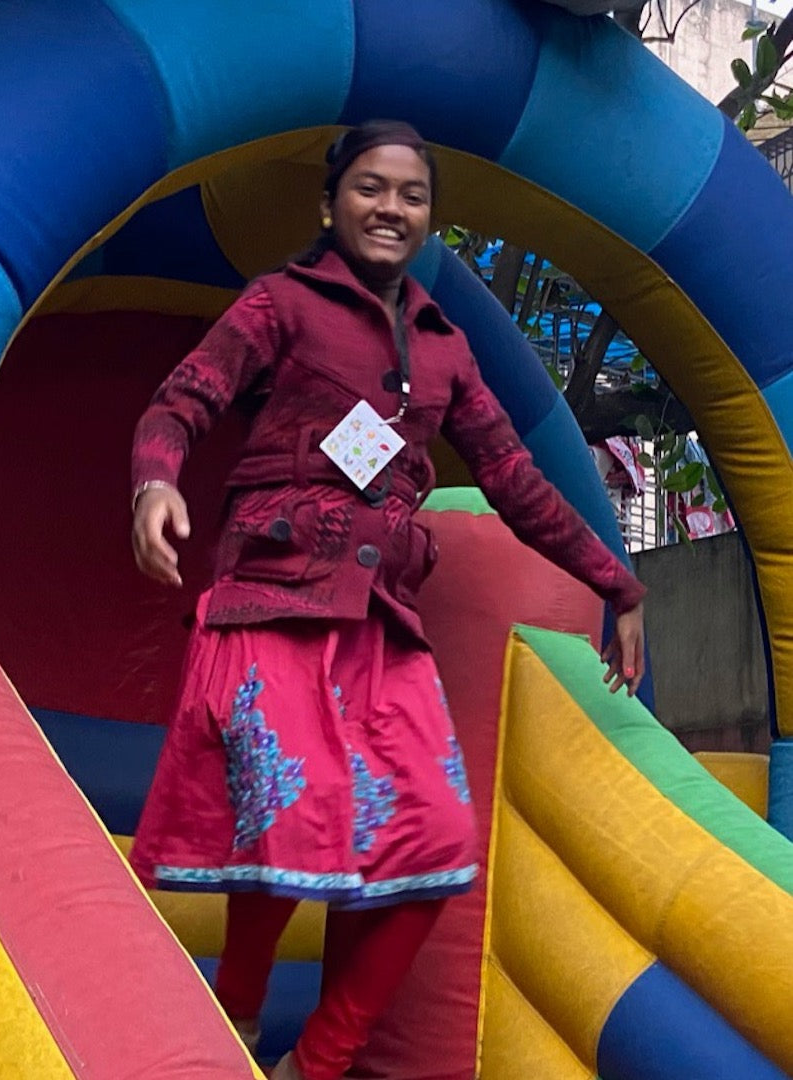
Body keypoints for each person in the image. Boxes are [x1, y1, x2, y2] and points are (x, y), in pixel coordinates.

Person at [129, 120, 646, 1080]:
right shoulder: (281, 303)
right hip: (273, 600)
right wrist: (155, 481)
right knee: (289, 813)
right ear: (330, 204)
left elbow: (517, 481)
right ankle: (233, 1016)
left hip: (381, 622)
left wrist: (618, 580)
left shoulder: (446, 353)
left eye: (411, 195)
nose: (390, 207)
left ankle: (315, 1064)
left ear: (428, 221)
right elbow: (183, 400)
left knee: (441, 843)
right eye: (370, 188)